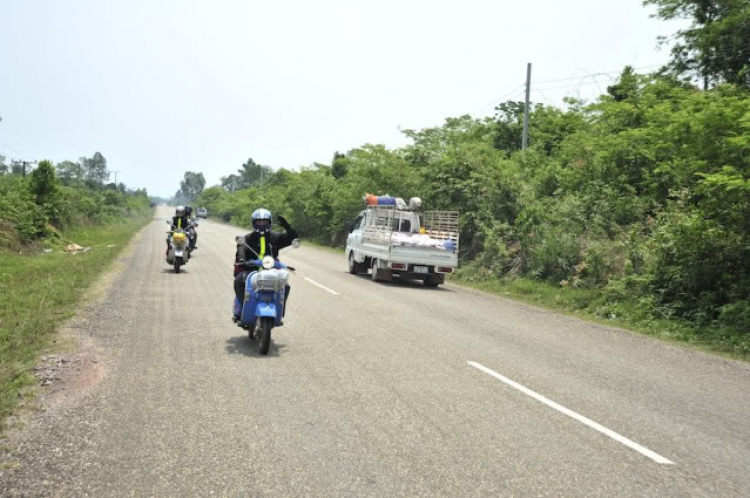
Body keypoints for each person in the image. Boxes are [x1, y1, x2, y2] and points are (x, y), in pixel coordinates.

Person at [234, 208, 297, 311]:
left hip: (272, 269)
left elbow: (292, 239)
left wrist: (288, 227)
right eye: (259, 221)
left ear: (270, 222)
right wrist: (242, 260)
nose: (262, 224)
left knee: (286, 286)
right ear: (254, 223)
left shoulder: (275, 237)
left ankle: (280, 310)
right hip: (251, 269)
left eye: (265, 221)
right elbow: (241, 249)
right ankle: (243, 307)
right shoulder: (248, 238)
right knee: (239, 280)